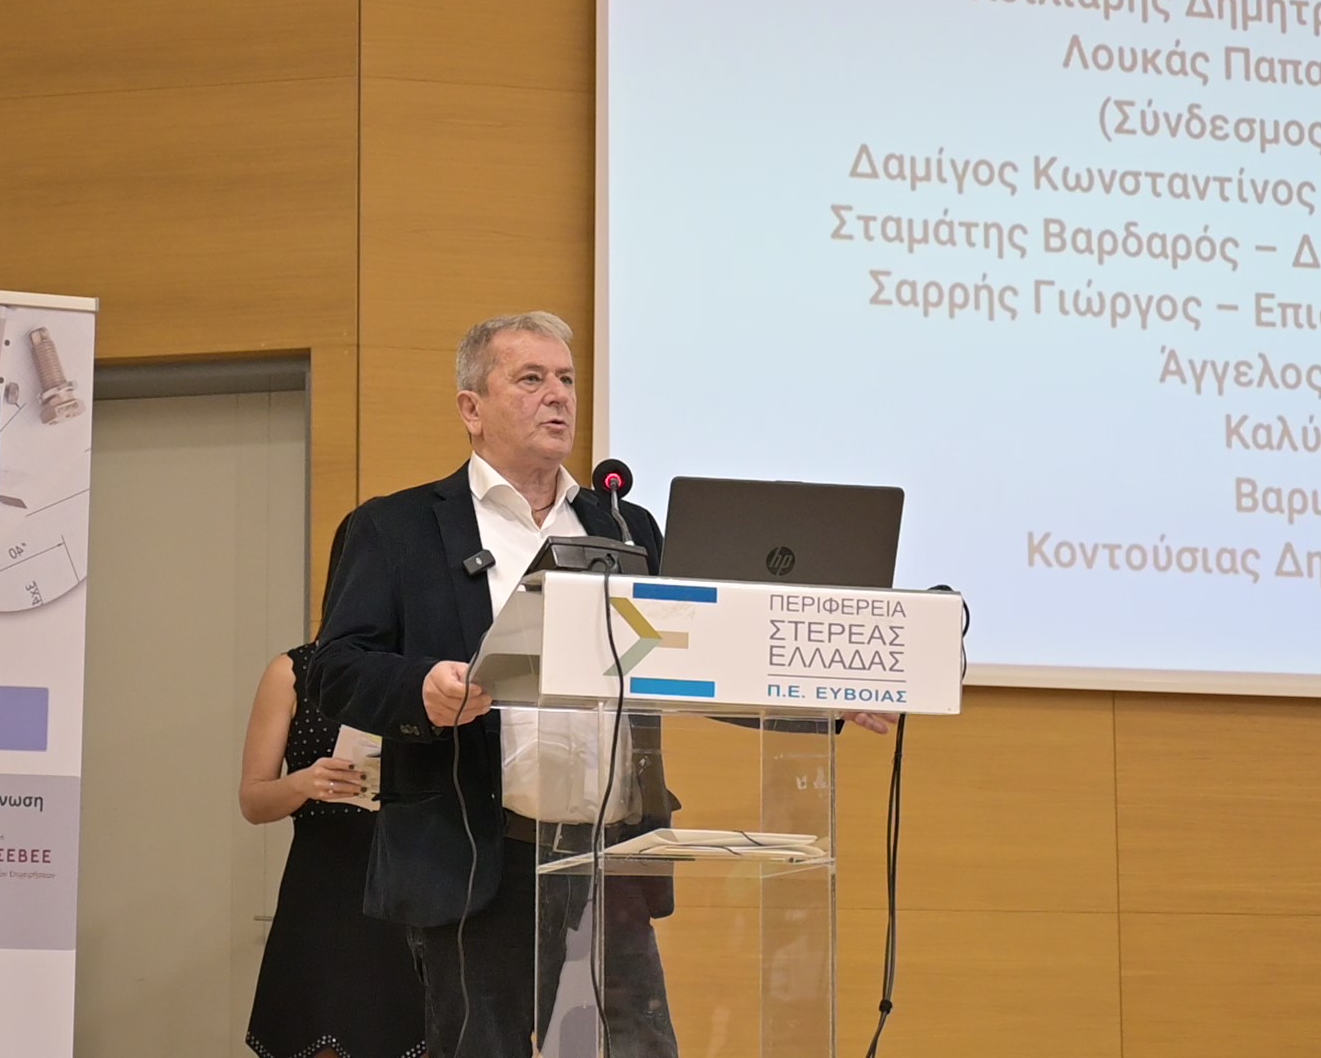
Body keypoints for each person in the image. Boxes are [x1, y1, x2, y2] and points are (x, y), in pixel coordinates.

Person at [307, 311, 895, 1057]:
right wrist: (422, 687)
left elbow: (697, 661)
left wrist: (821, 693)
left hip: (612, 859)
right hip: (477, 857)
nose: (558, 395)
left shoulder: (625, 527)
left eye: (566, 379)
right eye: (531, 379)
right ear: (471, 408)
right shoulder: (398, 529)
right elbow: (334, 668)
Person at [240, 513, 427, 1058]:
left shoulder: (431, 675)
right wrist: (306, 782)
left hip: (417, 878)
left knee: (419, 1034)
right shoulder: (293, 671)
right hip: (326, 887)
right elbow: (254, 799)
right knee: (321, 1036)